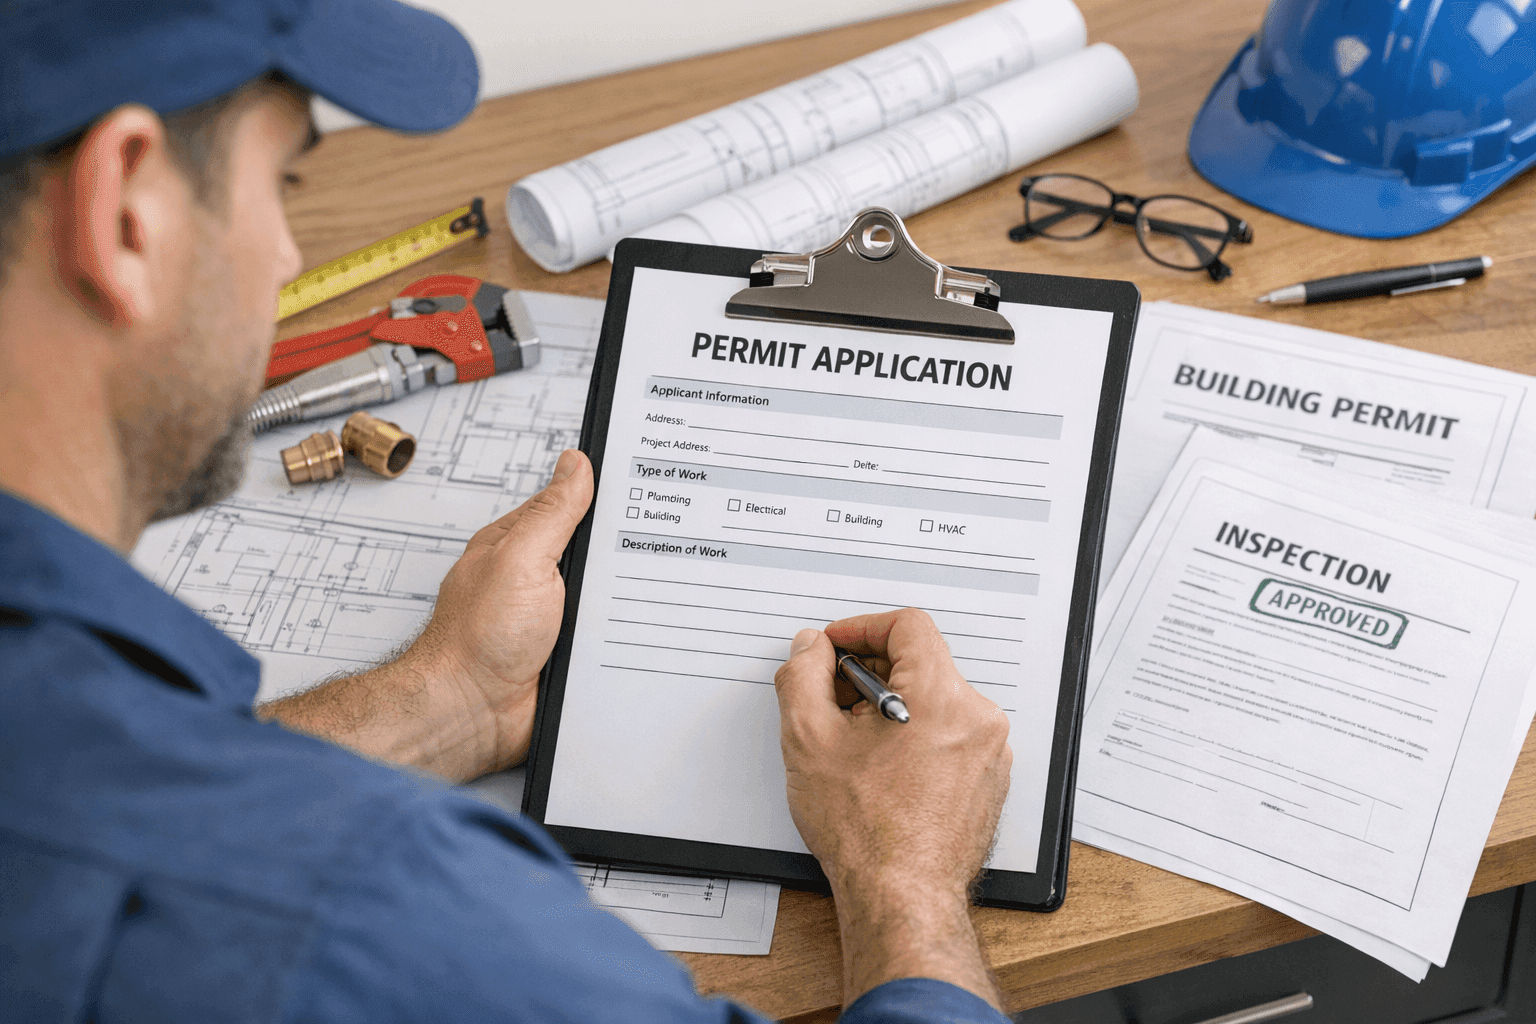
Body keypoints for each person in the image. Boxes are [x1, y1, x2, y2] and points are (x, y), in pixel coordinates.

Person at [0, 3, 1015, 1022]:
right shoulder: (372, 913)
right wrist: (908, 878)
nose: (285, 257)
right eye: (279, 183)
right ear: (125, 211)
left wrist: (448, 697)